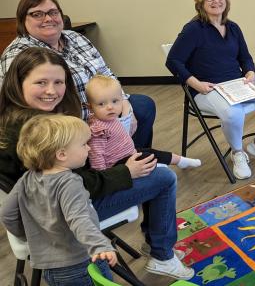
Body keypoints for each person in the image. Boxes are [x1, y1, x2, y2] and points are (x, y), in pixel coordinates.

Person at [0, 47, 194, 280]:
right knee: (164, 178)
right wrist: (125, 172)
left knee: (152, 164)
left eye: (58, 82)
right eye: (41, 82)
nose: (51, 91)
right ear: (18, 82)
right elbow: (71, 187)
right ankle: (162, 255)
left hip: (46, 212)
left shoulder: (19, 118)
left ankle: (157, 245)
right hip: (66, 218)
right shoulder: (35, 132)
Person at [0, 0, 155, 148]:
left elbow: (106, 73)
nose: (48, 18)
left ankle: (130, 157)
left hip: (102, 109)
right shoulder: (19, 54)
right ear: (22, 20)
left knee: (143, 105)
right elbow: (21, 106)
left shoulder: (75, 37)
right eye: (37, 14)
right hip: (68, 123)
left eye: (53, 12)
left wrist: (123, 101)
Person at [166, 0, 255, 180]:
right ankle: (237, 153)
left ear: (226, 0)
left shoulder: (233, 27)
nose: (216, 1)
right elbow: (173, 61)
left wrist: (250, 72)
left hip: (237, 83)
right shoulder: (193, 29)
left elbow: (245, 57)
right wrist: (195, 83)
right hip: (207, 89)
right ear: (200, 2)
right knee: (233, 112)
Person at [1, 114, 117, 286]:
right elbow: (79, 219)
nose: (89, 149)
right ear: (62, 154)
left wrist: (29, 236)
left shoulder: (27, 179)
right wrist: (99, 245)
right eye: (84, 144)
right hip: (81, 261)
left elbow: (7, 214)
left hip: (50, 268)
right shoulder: (69, 182)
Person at [85, 74, 201, 170]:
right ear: (90, 108)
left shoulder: (110, 116)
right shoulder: (98, 130)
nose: (110, 107)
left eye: (115, 101)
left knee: (152, 152)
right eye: (101, 104)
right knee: (148, 158)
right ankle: (158, 167)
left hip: (129, 152)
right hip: (119, 164)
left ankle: (180, 161)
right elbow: (96, 156)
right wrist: (105, 176)